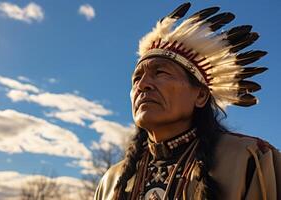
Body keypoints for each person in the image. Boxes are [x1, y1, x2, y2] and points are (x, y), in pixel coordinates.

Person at [94, 2, 281, 200]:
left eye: (160, 72)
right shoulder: (111, 181)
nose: (143, 84)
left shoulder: (248, 159)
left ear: (200, 95)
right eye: (136, 78)